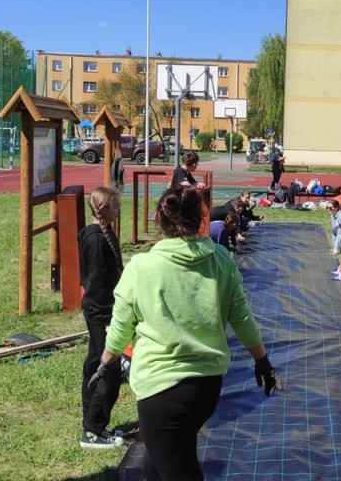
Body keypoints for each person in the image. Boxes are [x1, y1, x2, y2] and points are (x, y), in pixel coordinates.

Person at [90, 186, 281, 480]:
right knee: (158, 464)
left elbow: (121, 325)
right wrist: (263, 360)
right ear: (200, 220)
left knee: (177, 468)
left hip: (161, 389)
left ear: (158, 219)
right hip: (206, 387)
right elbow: (241, 317)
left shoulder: (142, 265)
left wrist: (106, 361)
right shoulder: (220, 260)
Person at [77, 187, 126, 449]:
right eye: (116, 206)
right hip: (101, 311)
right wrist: (108, 317)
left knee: (96, 362)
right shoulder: (95, 240)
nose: (119, 210)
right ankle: (93, 430)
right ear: (104, 209)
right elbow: (95, 282)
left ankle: (92, 420)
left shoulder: (101, 235)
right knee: (108, 369)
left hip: (101, 309)